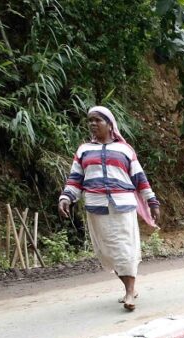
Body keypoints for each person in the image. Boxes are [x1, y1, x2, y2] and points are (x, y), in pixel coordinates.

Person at [59, 106, 160, 311]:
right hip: (96, 208)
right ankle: (129, 286)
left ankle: (130, 292)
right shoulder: (84, 150)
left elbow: (140, 179)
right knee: (108, 252)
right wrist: (66, 197)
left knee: (125, 248)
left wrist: (152, 201)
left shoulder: (125, 150)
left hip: (123, 206)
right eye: (90, 121)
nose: (93, 124)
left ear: (109, 124)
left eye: (98, 120)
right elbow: (75, 179)